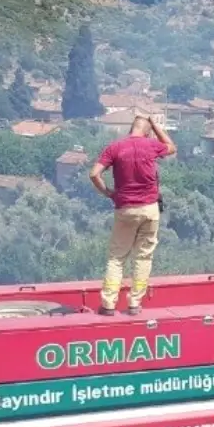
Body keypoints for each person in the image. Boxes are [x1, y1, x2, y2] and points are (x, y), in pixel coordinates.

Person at [90, 114, 177, 315]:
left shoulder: (115, 147)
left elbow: (94, 174)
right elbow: (171, 147)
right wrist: (156, 126)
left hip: (125, 208)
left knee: (117, 257)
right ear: (147, 131)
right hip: (150, 209)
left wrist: (107, 192)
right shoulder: (151, 145)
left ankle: (109, 304)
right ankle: (135, 304)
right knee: (143, 257)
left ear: (131, 128)